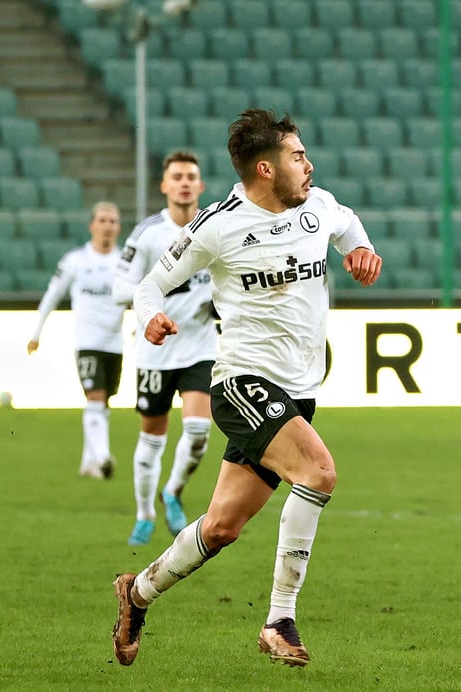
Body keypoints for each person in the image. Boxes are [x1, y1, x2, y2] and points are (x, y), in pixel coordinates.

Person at [111, 109, 382, 668]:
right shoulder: (218, 225)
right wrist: (151, 316)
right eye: (297, 156)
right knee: (318, 472)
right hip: (242, 384)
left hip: (298, 392)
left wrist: (360, 250)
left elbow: (348, 225)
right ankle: (279, 619)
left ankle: (136, 593)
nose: (309, 164)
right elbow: (150, 284)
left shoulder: (318, 205)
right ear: (265, 168)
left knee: (222, 527)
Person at [113, 151, 217, 546]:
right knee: (152, 437)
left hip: (200, 345)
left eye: (191, 176)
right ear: (164, 185)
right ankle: (144, 515)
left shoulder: (215, 227)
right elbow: (119, 288)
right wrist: (152, 305)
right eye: (177, 177)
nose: (184, 183)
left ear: (200, 185)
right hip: (155, 348)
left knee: (198, 431)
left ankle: (172, 490)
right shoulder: (147, 234)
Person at [27, 201, 125, 479]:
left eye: (113, 221)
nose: (107, 226)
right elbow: (53, 294)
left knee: (103, 402)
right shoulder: (75, 260)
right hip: (87, 341)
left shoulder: (124, 262)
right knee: (95, 396)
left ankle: (88, 462)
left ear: (118, 227)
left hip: (114, 342)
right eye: (102, 220)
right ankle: (103, 458)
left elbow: (138, 295)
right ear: (92, 225)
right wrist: (36, 333)